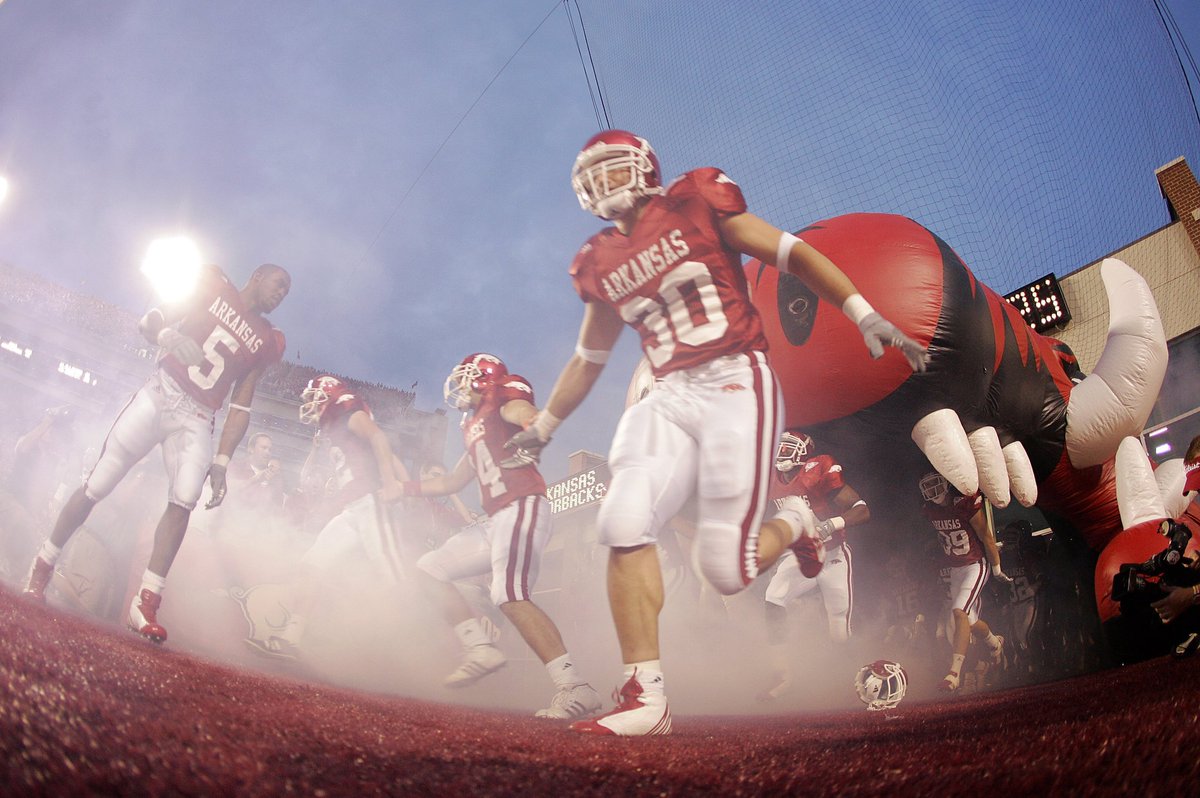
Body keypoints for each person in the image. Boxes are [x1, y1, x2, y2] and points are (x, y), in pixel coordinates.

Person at [503, 129, 927, 736]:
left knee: (726, 573)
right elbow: (587, 358)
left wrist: (862, 311)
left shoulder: (696, 202)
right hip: (670, 392)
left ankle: (800, 521)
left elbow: (792, 253)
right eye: (593, 175)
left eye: (614, 168)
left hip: (734, 380)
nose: (604, 183)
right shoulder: (600, 260)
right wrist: (545, 426)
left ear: (645, 167)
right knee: (623, 519)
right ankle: (647, 700)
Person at [23, 262, 290, 644]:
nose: (281, 294)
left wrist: (222, 461)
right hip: (161, 391)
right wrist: (167, 335)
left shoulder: (268, 339)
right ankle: (44, 563)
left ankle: (146, 602)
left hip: (198, 416)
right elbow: (150, 321)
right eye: (279, 284)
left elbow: (241, 404)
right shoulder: (215, 285)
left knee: (184, 499)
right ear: (259, 276)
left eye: (287, 292)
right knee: (98, 483)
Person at [405, 354, 602, 720]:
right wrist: (405, 487)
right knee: (429, 568)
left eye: (465, 377)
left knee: (508, 593)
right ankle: (479, 648)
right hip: (496, 519)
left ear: (483, 378)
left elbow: (522, 411)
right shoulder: (473, 423)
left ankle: (575, 686)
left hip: (523, 505)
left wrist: (533, 424)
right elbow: (451, 483)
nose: (459, 385)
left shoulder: (502, 398)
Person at [260, 376, 409, 658]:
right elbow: (388, 456)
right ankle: (292, 637)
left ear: (328, 395)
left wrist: (396, 485)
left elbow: (379, 438)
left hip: (373, 502)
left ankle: (420, 643)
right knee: (311, 565)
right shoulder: (334, 429)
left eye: (313, 396)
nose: (308, 403)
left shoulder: (349, 414)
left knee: (394, 579)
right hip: (352, 508)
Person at [758, 430, 871, 701]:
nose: (781, 452)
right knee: (773, 599)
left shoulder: (818, 470)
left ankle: (851, 680)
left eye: (788, 448)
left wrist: (832, 524)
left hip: (832, 556)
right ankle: (783, 675)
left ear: (803, 454)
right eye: (780, 447)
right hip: (801, 557)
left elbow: (862, 510)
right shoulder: (771, 480)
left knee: (839, 630)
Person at [919, 471, 1009, 691]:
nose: (933, 491)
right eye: (927, 487)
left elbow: (986, 536)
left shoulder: (964, 503)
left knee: (959, 611)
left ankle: (954, 674)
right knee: (968, 621)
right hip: (955, 569)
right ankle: (995, 643)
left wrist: (996, 568)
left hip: (974, 566)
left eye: (935, 485)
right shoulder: (929, 510)